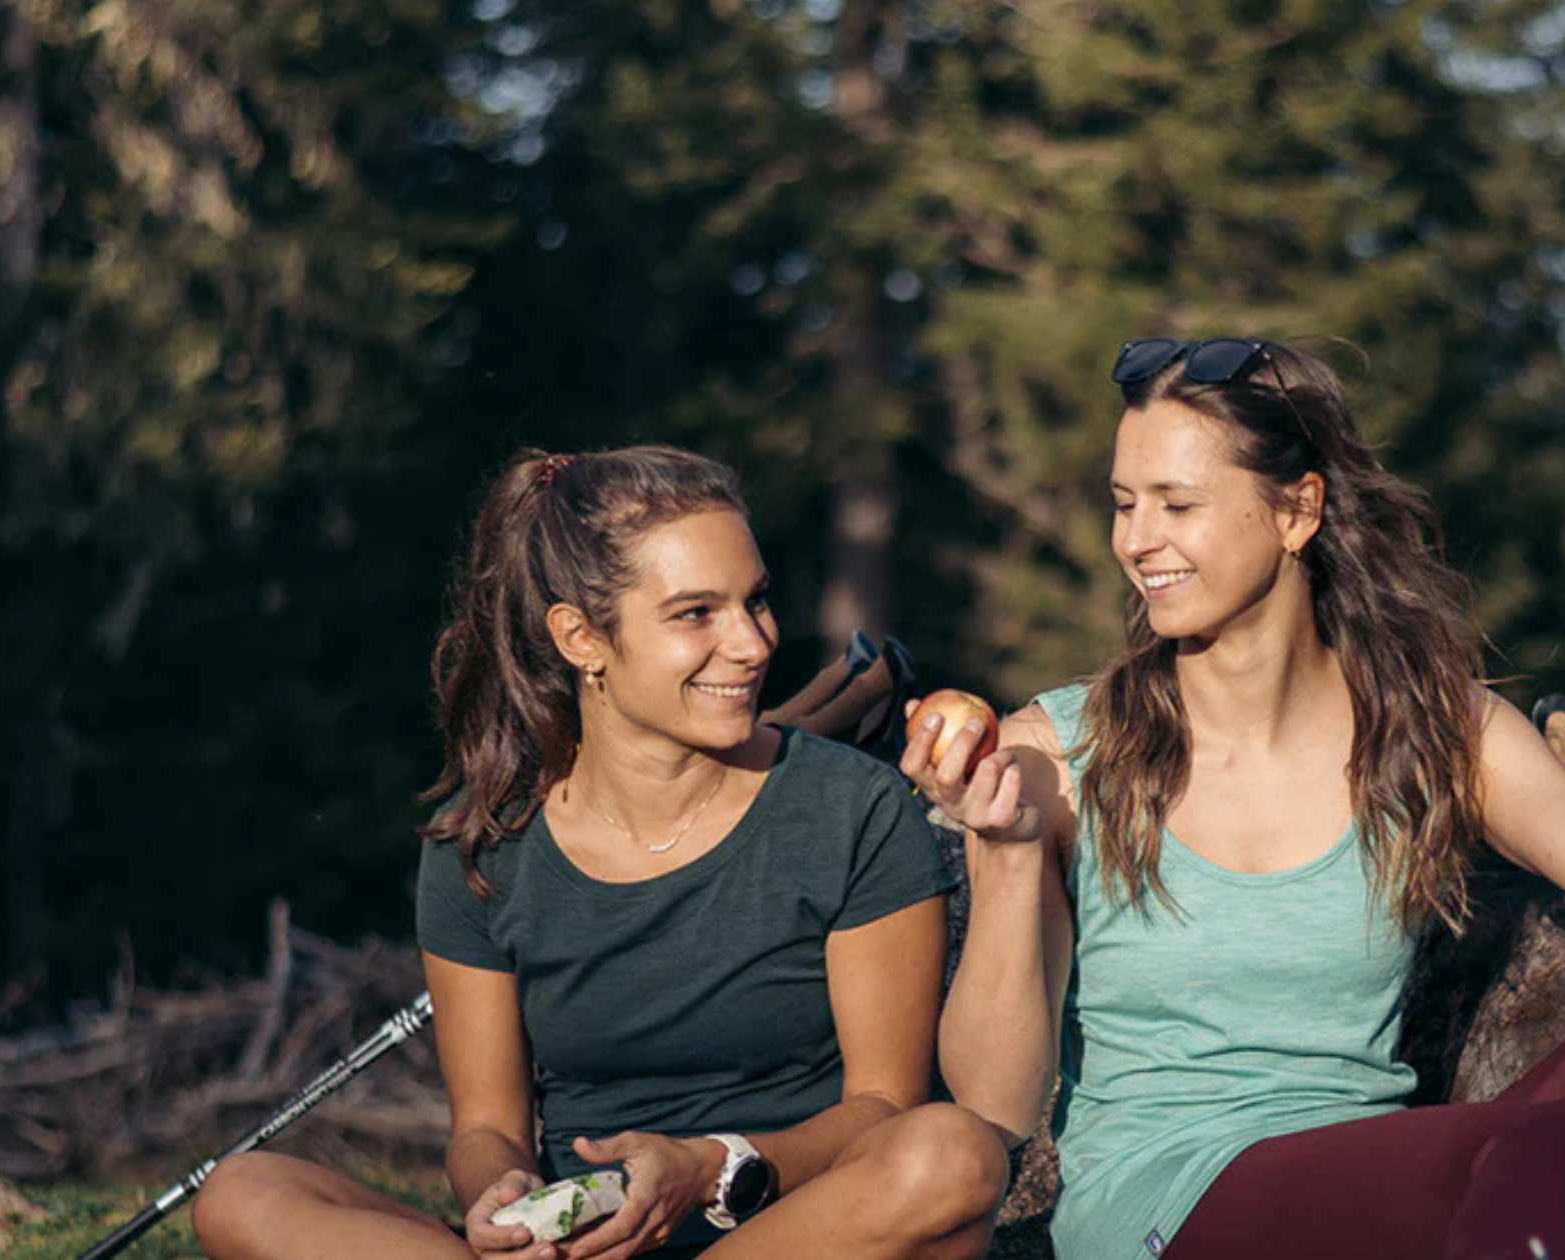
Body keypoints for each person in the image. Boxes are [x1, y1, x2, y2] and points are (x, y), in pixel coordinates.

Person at [904, 340, 1565, 1260]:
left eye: (1177, 504)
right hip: (1164, 1208)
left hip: (1376, 1187)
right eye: (1124, 503)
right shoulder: (1058, 753)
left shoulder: (1430, 728)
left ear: (1297, 512)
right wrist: (1011, 851)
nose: (1135, 541)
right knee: (1539, 1146)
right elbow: (993, 1102)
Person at [193, 445, 1008, 1260]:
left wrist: (711, 1167)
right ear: (581, 637)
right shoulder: (484, 846)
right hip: (578, 1245)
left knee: (952, 1156)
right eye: (696, 613)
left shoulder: (851, 808)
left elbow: (881, 1109)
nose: (754, 643)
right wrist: (503, 1197)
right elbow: (487, 1127)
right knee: (241, 1192)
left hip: (785, 1235)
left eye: (755, 600)